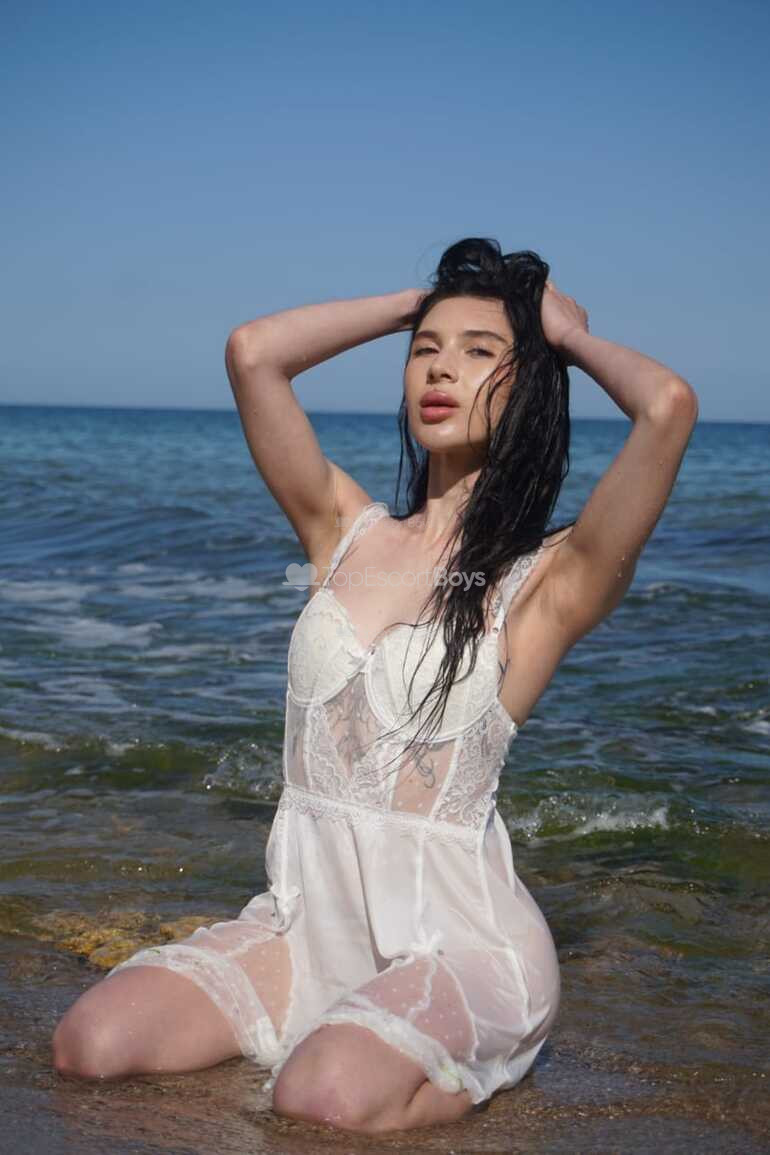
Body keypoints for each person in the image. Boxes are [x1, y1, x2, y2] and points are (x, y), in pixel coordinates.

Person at [51, 238, 698, 1134]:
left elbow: (667, 407)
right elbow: (253, 352)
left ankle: (462, 1065)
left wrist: (567, 339)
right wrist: (417, 302)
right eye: (425, 350)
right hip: (302, 926)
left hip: (459, 943)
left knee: (318, 1096)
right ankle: (350, 1037)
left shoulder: (548, 580)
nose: (441, 368)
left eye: (479, 352)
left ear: (528, 385)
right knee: (89, 1043)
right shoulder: (341, 529)